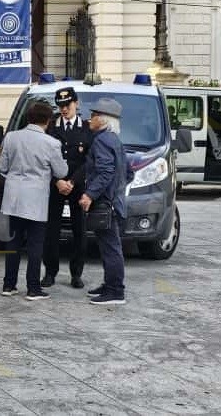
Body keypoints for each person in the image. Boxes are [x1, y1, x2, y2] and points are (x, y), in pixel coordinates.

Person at [0, 102, 68, 300]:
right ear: (47, 121)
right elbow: (61, 171)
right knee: (36, 244)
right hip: (36, 198)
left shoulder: (11, 137)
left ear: (28, 118)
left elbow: (2, 166)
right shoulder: (51, 143)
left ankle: (9, 284)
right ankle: (33, 287)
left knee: (13, 242)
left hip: (13, 196)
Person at [79, 98, 133, 305]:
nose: (89, 118)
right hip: (116, 202)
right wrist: (117, 189)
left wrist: (90, 194)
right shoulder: (115, 140)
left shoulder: (101, 140)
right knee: (108, 246)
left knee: (111, 248)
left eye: (93, 115)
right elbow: (128, 173)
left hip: (106, 204)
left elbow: (105, 171)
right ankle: (109, 284)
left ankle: (115, 291)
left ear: (102, 120)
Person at [43, 87, 93, 289]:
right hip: (55, 184)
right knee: (51, 231)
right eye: (60, 106)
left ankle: (76, 273)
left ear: (76, 104)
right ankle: (50, 272)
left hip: (77, 185)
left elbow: (89, 160)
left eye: (68, 105)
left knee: (79, 230)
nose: (64, 109)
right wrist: (57, 180)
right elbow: (45, 157)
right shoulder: (51, 128)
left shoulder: (87, 128)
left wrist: (72, 182)